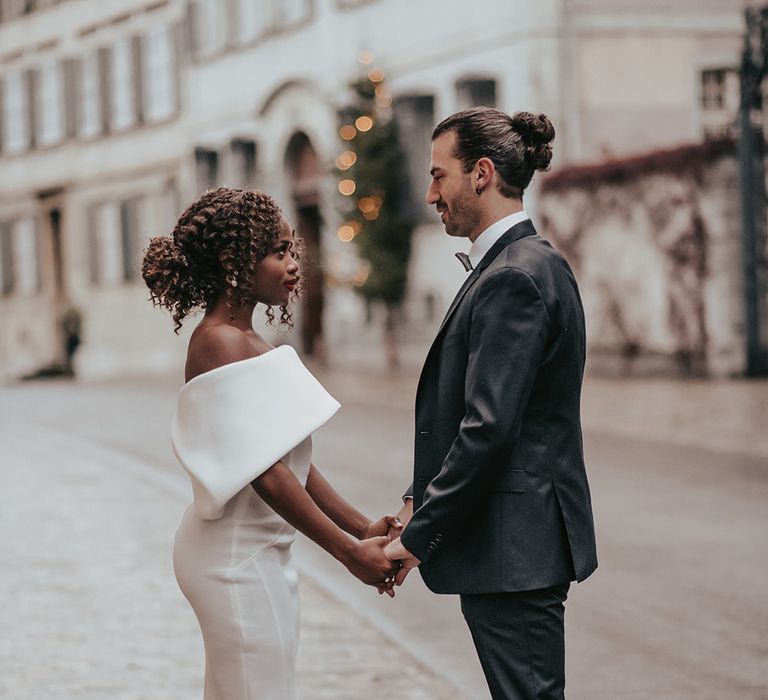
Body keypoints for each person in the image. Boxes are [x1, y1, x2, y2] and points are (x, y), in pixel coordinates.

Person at [142, 187, 400, 700]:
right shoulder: (219, 341)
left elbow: (290, 459)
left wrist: (362, 525)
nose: (292, 263)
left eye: (291, 250)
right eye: (277, 251)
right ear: (231, 261)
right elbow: (267, 473)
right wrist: (348, 552)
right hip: (233, 559)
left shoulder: (249, 340)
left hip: (257, 553)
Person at [383, 108, 598, 699]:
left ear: (480, 174)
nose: (430, 194)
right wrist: (413, 502)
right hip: (512, 547)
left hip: (515, 549)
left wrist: (417, 537)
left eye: (438, 175)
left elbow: (488, 429)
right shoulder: (523, 265)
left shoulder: (515, 276)